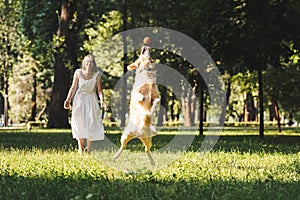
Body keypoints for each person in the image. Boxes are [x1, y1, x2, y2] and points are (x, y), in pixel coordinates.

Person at [64, 54, 107, 154]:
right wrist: (68, 100)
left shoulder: (97, 75)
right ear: (84, 63)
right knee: (79, 121)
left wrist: (102, 101)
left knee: (91, 122)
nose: (89, 64)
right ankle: (80, 147)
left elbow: (99, 90)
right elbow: (73, 87)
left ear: (93, 64)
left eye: (91, 62)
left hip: (91, 99)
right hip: (79, 99)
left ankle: (88, 149)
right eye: (87, 62)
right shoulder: (78, 72)